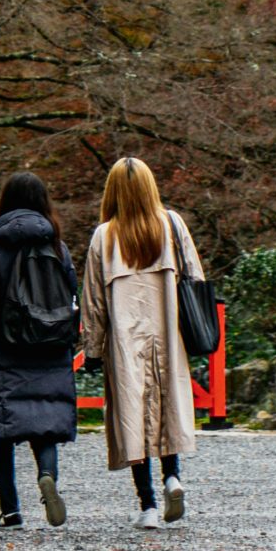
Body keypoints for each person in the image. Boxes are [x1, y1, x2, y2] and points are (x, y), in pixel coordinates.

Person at [80, 156, 206, 529]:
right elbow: (195, 277)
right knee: (167, 403)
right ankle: (173, 477)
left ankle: (148, 505)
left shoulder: (104, 235)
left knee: (132, 414)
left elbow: (92, 300)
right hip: (169, 333)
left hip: (124, 339)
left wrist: (91, 347)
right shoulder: (172, 224)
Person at [0, 170, 78, 530]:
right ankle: (47, 475)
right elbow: (73, 298)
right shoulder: (58, 246)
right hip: (50, 347)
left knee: (3, 428)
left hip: (4, 349)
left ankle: (11, 511)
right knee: (45, 424)